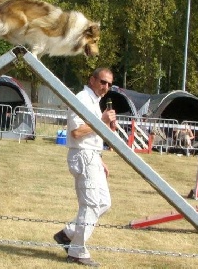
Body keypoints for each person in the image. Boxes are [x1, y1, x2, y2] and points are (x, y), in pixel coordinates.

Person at [53, 68, 116, 267]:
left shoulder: (96, 103)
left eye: (109, 84)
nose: (105, 87)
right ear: (92, 80)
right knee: (90, 205)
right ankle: (77, 252)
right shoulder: (81, 98)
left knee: (104, 202)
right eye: (102, 82)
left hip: (92, 156)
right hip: (82, 157)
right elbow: (77, 133)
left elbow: (93, 136)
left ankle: (68, 234)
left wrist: (100, 158)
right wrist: (102, 121)